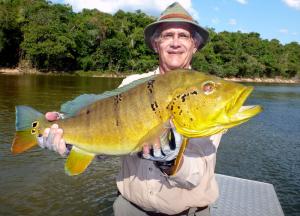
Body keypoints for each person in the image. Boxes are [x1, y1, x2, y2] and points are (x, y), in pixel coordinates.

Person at [39, 2, 223, 216]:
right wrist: (69, 141)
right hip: (129, 208)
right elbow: (106, 146)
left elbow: (197, 175)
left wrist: (172, 161)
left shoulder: (208, 93)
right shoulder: (132, 82)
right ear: (156, 44)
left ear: (195, 45)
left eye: (183, 36)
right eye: (167, 35)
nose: (175, 42)